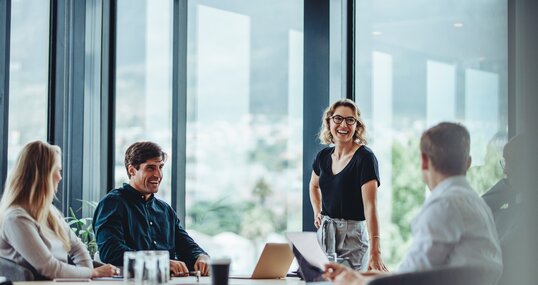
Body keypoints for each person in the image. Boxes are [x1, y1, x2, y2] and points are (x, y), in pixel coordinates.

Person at [323, 122, 503, 285]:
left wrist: (355, 282)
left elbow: (409, 282)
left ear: (424, 162)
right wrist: (358, 276)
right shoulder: (477, 204)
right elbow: (413, 273)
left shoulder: (444, 206)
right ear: (468, 163)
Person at [0, 141, 119, 279]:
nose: (60, 177)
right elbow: (50, 268)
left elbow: (77, 248)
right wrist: (93, 272)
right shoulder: (16, 219)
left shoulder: (49, 211)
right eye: (57, 170)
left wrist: (87, 275)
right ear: (42, 176)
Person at [93, 141, 209, 277]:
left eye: (160, 167)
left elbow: (186, 245)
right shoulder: (112, 203)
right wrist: (160, 263)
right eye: (150, 168)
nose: (158, 175)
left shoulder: (165, 210)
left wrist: (201, 256)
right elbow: (111, 252)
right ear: (132, 170)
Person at [309, 99, 387, 271]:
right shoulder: (323, 156)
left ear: (356, 125)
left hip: (353, 239)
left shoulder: (365, 158)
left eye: (350, 120)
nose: (343, 124)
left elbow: (371, 207)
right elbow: (314, 186)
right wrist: (317, 211)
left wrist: (376, 251)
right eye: (338, 118)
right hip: (325, 234)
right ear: (329, 122)